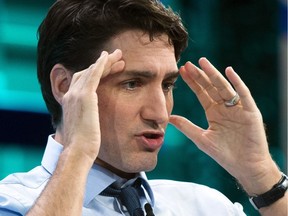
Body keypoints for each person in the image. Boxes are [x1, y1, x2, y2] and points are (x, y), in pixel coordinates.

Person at [0, 0, 286, 215]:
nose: (160, 113)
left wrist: (260, 174)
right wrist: (77, 154)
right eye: (132, 83)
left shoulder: (206, 206)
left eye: (167, 85)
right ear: (65, 85)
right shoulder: (12, 202)